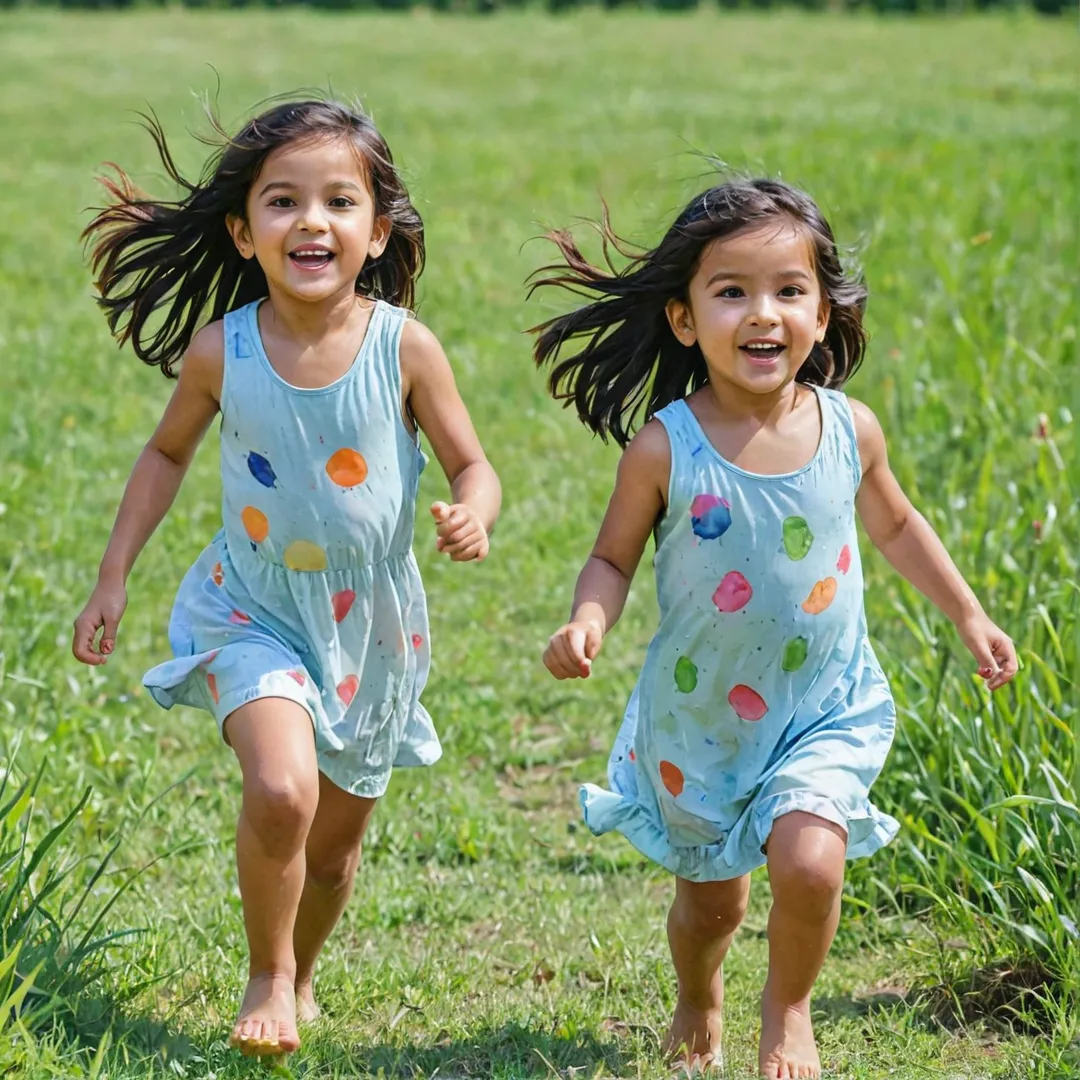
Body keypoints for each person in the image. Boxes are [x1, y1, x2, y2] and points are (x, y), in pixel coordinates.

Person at [531, 178, 1017, 1078]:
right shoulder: (666, 447)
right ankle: (698, 994)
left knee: (809, 862)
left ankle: (788, 1012)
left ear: (824, 315)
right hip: (703, 717)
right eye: (733, 293)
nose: (765, 314)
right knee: (711, 909)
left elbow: (898, 527)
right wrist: (587, 620)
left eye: (790, 291)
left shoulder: (849, 429)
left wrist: (969, 613)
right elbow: (613, 559)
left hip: (819, 706)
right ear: (684, 320)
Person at [72, 99, 501, 1057]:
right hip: (252, 606)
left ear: (378, 230)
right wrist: (113, 578)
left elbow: (476, 465)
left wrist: (475, 510)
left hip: (374, 629)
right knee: (281, 792)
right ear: (242, 229)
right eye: (282, 202)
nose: (312, 221)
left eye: (339, 201)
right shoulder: (225, 349)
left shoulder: (404, 348)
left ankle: (302, 972)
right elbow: (164, 457)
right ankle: (266, 973)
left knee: (337, 848)